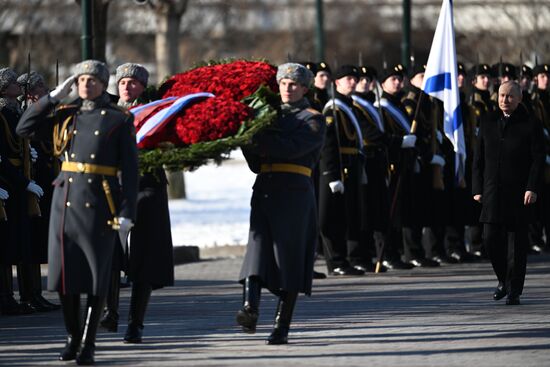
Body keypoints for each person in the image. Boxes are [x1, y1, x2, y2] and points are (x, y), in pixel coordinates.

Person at [17, 59, 138, 365]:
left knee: (97, 276)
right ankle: (72, 337)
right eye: (80, 79)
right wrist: (52, 98)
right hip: (65, 200)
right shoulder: (65, 115)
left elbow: (131, 171)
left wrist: (127, 211)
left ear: (102, 84)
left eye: (92, 80)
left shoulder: (118, 119)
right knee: (63, 277)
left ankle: (88, 341)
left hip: (99, 201)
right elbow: (24, 128)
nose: (85, 84)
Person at [237, 62, 325, 344]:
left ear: (304, 88)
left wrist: (258, 135)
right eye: (284, 83)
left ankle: (281, 326)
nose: (288, 88)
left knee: (289, 260)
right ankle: (249, 308)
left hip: (294, 194)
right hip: (264, 189)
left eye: (294, 84)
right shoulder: (267, 117)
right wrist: (244, 137)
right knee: (256, 250)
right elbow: (255, 163)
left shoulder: (313, 118)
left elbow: (290, 150)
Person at [100, 62, 174, 344]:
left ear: (143, 86)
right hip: (113, 188)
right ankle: (110, 311)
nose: (127, 87)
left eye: (133, 82)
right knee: (109, 251)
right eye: (122, 82)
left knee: (145, 256)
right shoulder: (106, 113)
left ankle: (136, 323)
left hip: (148, 185)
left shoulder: (157, 113)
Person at [472, 81, 544, 306]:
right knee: (489, 238)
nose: (505, 100)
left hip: (519, 193)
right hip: (492, 191)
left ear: (520, 98)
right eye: (502, 95)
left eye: (510, 96)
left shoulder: (531, 123)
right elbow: (478, 158)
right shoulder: (487, 121)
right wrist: (477, 188)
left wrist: (532, 187)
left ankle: (514, 290)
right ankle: (504, 279)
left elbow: (538, 160)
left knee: (516, 245)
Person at [16, 71, 61, 312]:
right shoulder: (23, 115)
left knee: (37, 240)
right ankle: (28, 293)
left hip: (46, 179)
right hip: (31, 182)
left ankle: (35, 292)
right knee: (30, 240)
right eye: (40, 87)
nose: (45, 89)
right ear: (30, 92)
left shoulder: (45, 112)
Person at [0, 67, 42, 316]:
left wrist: (29, 153)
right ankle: (6, 297)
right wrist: (21, 182)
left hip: (18, 180)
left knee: (21, 241)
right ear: (4, 88)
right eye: (14, 83)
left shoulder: (15, 111)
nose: (20, 86)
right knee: (6, 245)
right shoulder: (2, 113)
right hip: (8, 182)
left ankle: (29, 295)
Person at [319, 65, 366, 276]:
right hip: (339, 167)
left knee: (349, 215)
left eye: (355, 79)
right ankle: (335, 261)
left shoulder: (349, 106)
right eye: (348, 79)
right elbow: (328, 145)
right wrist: (331, 174)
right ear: (336, 82)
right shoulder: (333, 109)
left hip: (351, 164)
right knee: (333, 218)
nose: (353, 82)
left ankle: (348, 258)